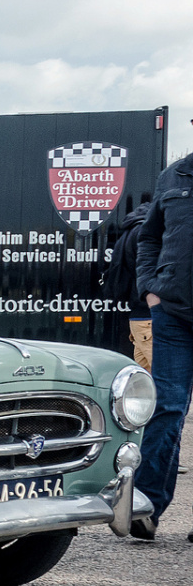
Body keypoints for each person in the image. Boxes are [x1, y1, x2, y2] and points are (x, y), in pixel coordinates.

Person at [133, 149, 193, 539]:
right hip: (172, 311)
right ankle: (146, 507)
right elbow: (149, 237)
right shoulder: (173, 176)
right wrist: (149, 289)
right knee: (166, 406)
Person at [108, 193, 153, 370]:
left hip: (138, 317)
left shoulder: (130, 231)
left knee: (146, 380)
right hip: (149, 317)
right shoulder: (145, 232)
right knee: (169, 377)